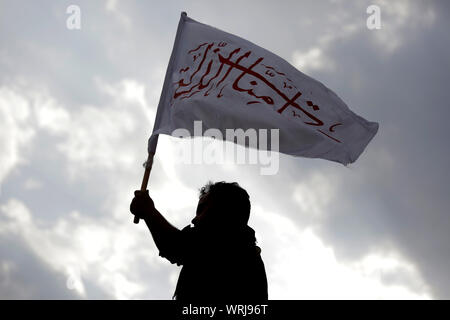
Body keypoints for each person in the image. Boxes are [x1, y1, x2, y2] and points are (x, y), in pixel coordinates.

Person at [130, 181, 268, 301]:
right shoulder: (246, 252)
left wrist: (149, 211)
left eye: (202, 210)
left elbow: (175, 245)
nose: (194, 220)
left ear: (224, 211)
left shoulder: (229, 244)